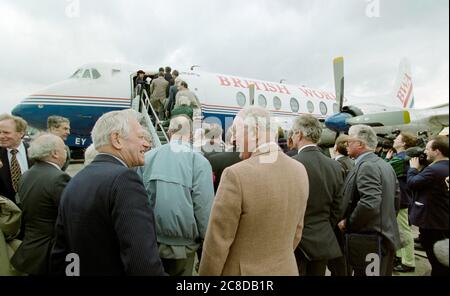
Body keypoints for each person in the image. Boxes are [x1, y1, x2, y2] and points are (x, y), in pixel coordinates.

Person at [50, 109, 165, 275]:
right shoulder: (124, 180)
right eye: (140, 137)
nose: (147, 144)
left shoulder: (76, 179)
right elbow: (142, 264)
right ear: (117, 139)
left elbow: (61, 253)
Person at [199, 106, 309, 275]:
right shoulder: (300, 169)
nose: (234, 139)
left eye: (236, 131)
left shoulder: (235, 174)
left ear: (255, 132)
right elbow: (297, 232)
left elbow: (217, 243)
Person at [137, 115, 214, 276]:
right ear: (191, 135)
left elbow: (139, 200)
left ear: (169, 131)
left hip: (151, 240)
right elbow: (203, 207)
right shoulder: (199, 161)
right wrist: (207, 241)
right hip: (184, 246)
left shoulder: (148, 157)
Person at [338, 125, 400, 276]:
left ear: (360, 143)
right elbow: (396, 200)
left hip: (370, 240)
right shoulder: (384, 164)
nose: (346, 144)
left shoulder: (367, 166)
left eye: (349, 141)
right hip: (382, 237)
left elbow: (370, 203)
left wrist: (348, 223)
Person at [291, 114, 345, 276]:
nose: (292, 136)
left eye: (293, 133)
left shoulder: (292, 164)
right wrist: (324, 226)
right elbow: (338, 206)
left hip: (296, 242)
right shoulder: (334, 166)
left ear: (299, 134)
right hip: (323, 238)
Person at [11, 133, 71, 275]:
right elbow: (70, 214)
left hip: (32, 248)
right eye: (63, 148)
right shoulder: (59, 178)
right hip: (50, 251)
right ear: (55, 153)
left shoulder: (27, 174)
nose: (66, 151)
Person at [407, 135, 449, 276]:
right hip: (444, 219)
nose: (424, 152)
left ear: (437, 151)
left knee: (437, 260)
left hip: (432, 223)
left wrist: (413, 168)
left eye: (427, 149)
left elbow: (413, 183)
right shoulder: (444, 168)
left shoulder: (433, 170)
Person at [385, 132, 417, 273]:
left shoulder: (402, 158)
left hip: (401, 198)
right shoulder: (400, 157)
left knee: (404, 230)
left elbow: (385, 169)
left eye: (397, 139)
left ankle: (408, 262)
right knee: (399, 229)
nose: (394, 140)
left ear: (404, 143)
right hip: (400, 197)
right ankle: (399, 256)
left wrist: (386, 159)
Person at [0, 114, 32, 205]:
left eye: (6, 132)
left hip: (33, 207)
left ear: (21, 133)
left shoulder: (36, 151)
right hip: (7, 211)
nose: (1, 136)